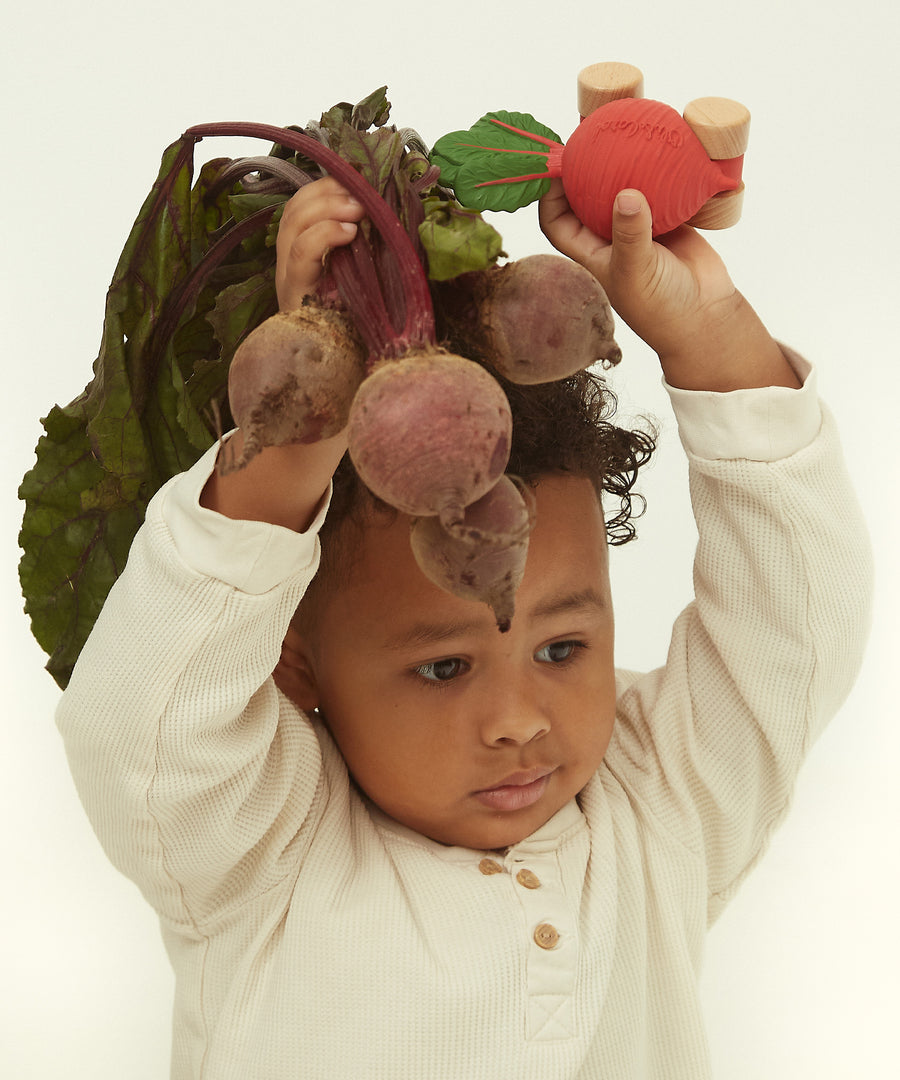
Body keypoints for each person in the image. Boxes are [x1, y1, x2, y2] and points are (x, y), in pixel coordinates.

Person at [56, 175, 872, 1078]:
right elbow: (148, 733)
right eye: (444, 668)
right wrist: (291, 441)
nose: (519, 719)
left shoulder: (659, 808)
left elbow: (797, 618)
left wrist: (712, 335)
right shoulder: (262, 851)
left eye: (562, 649)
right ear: (294, 662)